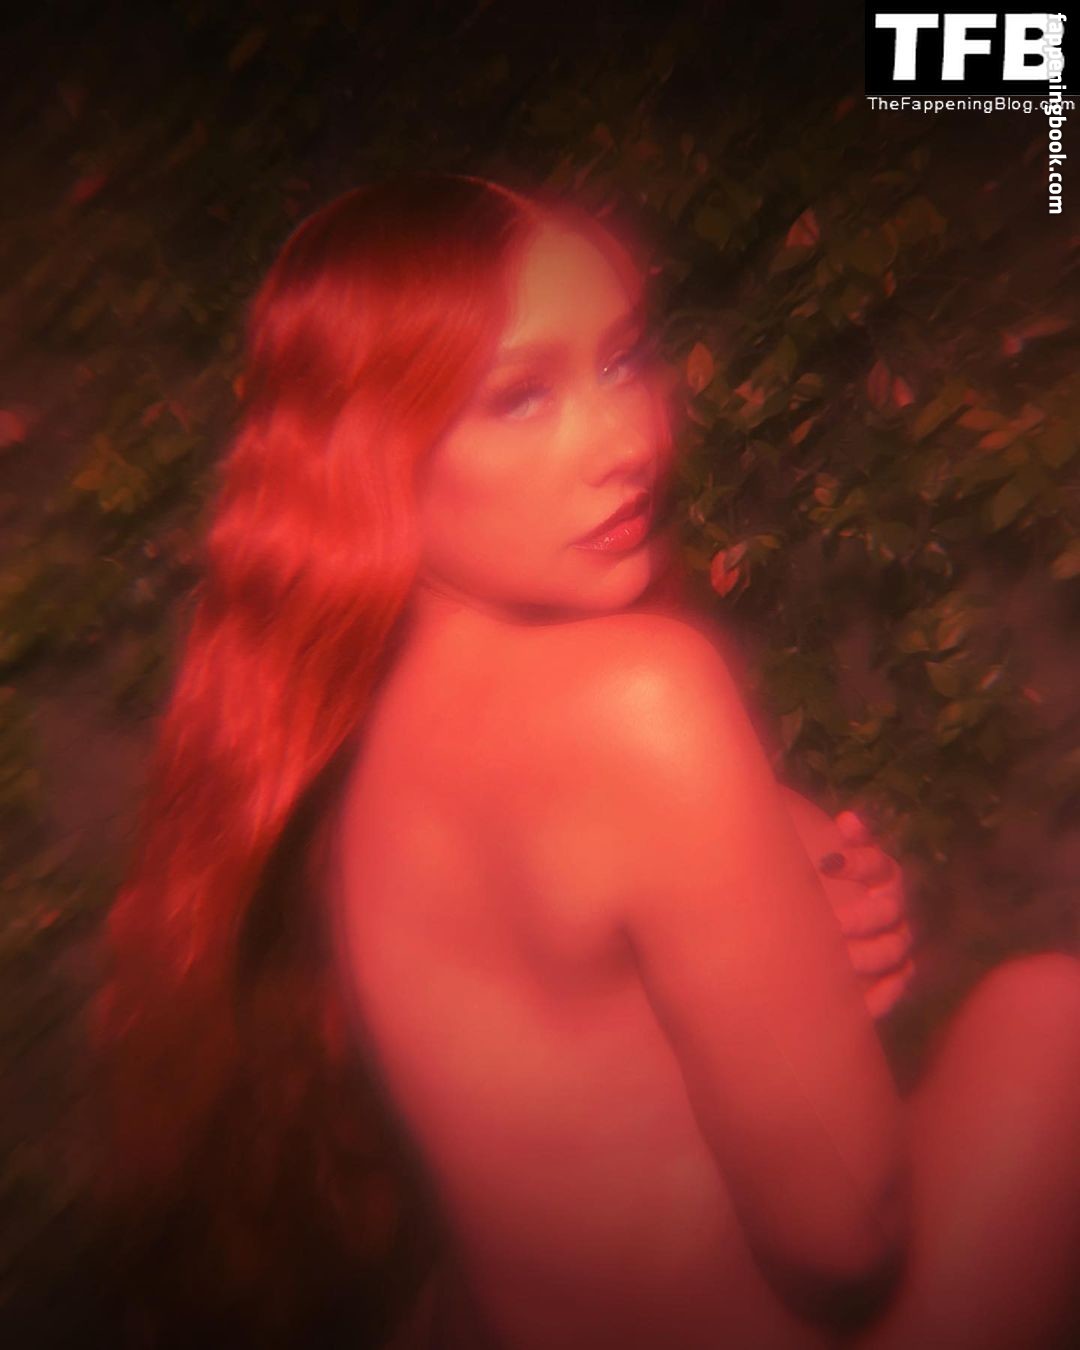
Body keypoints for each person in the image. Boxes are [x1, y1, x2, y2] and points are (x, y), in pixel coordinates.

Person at [96, 171, 1080, 1350]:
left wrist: (782, 926)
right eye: (520, 398)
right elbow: (845, 1238)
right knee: (1054, 1023)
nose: (630, 441)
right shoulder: (633, 695)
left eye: (623, 362)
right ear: (373, 452)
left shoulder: (351, 725)